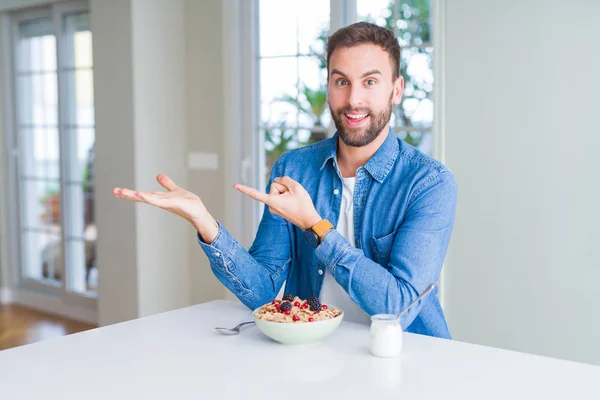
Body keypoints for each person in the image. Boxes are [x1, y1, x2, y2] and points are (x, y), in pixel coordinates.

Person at [113, 22, 457, 338]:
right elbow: (262, 289)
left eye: (370, 82)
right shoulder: (294, 168)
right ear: (328, 87)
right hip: (316, 351)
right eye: (342, 82)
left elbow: (398, 307)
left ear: (396, 90)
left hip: (408, 358)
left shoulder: (429, 183)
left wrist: (316, 226)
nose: (353, 99)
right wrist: (206, 224)